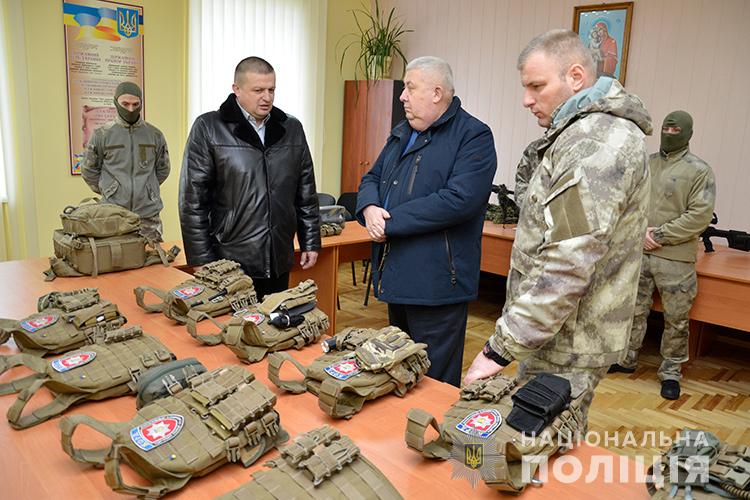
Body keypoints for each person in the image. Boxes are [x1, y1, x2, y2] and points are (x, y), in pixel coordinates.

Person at [464, 29, 652, 425]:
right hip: (555, 331)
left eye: (537, 86)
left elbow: (569, 262)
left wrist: (500, 348)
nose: (526, 99)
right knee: (542, 440)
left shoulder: (595, 143)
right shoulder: (579, 133)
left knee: (542, 442)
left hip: (568, 339)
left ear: (576, 77)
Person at [356, 56, 497, 387]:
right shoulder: (403, 131)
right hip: (396, 275)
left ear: (436, 93)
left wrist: (389, 222)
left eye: (410, 87)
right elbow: (372, 177)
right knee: (398, 374)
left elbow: (457, 200)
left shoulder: (473, 136)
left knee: (434, 383)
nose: (402, 96)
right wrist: (370, 208)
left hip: (437, 284)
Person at [179, 57, 320, 299]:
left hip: (278, 256)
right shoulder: (209, 127)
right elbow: (192, 201)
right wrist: (201, 258)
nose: (267, 97)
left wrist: (310, 241)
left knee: (274, 321)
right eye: (258, 90)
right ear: (237, 89)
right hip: (229, 260)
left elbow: (305, 191)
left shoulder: (291, 128)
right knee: (233, 323)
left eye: (271, 90)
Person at [609, 111, 716, 400]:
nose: (669, 133)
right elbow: (627, 202)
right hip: (640, 252)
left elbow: (699, 216)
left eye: (676, 129)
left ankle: (671, 372)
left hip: (676, 259)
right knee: (633, 309)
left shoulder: (700, 171)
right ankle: (626, 359)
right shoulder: (647, 164)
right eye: (666, 128)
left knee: (677, 318)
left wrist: (659, 236)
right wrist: (638, 232)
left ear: (688, 133)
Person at [81, 81, 170, 241]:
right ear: (116, 102)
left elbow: (163, 169)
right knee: (115, 256)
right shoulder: (101, 135)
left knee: (152, 256)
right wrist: (110, 190)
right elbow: (89, 171)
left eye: (135, 104)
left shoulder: (155, 135)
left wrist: (148, 190)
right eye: (125, 104)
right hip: (113, 215)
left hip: (148, 216)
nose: (130, 109)